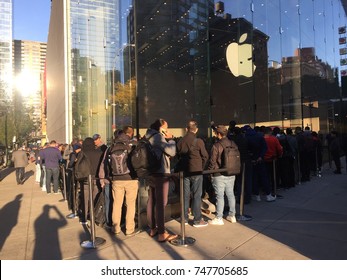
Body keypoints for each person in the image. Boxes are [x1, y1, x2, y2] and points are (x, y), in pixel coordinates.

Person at [100, 126, 138, 235]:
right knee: (130, 204)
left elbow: (106, 164)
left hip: (116, 180)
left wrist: (110, 177)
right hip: (131, 178)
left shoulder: (111, 147)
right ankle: (129, 229)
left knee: (117, 204)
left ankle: (115, 228)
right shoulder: (131, 145)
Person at [145, 118, 177, 242]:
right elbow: (171, 152)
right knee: (161, 203)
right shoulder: (158, 137)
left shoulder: (147, 136)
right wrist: (171, 139)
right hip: (160, 172)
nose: (167, 130)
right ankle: (162, 233)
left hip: (150, 172)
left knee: (151, 200)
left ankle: (153, 229)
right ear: (160, 127)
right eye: (166, 128)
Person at [176, 120, 209, 227]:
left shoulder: (180, 141)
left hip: (184, 172)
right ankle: (197, 219)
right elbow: (205, 156)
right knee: (197, 195)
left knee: (185, 195)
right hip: (196, 171)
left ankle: (184, 218)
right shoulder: (198, 141)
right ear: (196, 129)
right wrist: (201, 167)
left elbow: (178, 156)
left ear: (186, 129)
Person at [207, 125, 237, 225]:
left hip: (218, 173)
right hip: (231, 172)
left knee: (220, 196)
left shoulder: (216, 145)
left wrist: (209, 173)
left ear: (218, 134)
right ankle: (232, 215)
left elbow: (212, 161)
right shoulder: (233, 143)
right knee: (230, 194)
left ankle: (219, 218)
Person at [75, 137, 103, 224]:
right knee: (95, 198)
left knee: (85, 198)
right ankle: (93, 215)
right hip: (97, 178)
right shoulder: (99, 153)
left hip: (86, 178)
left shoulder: (82, 153)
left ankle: (83, 218)